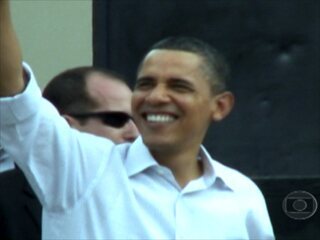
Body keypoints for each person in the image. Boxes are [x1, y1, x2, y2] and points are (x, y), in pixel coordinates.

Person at [0, 1, 274, 239]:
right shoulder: (81, 168)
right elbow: (14, 95)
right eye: (145, 84)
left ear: (220, 106)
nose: (156, 96)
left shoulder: (242, 195)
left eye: (178, 86)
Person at [0, 65, 139, 240]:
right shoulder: (6, 197)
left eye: (140, 120)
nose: (134, 133)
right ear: (66, 126)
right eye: (116, 120)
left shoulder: (149, 192)